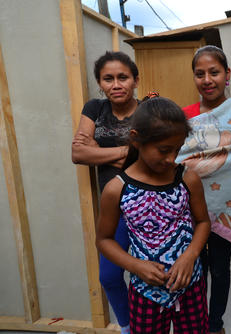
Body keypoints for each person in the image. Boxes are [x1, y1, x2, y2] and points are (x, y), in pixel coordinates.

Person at [96, 96, 211, 333]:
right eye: (164, 150)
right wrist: (136, 266)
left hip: (191, 287)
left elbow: (203, 222)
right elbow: (104, 241)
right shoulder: (117, 189)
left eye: (177, 150)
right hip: (145, 292)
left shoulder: (187, 179)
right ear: (136, 139)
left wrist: (191, 255)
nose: (172, 159)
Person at [178, 45, 231, 334]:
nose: (207, 79)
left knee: (219, 268)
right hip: (191, 209)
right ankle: (195, 322)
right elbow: (178, 158)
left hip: (227, 206)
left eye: (214, 72)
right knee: (194, 268)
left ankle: (215, 326)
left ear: (226, 74)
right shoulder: (184, 116)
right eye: (199, 74)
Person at [71, 51, 139, 333]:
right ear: (100, 83)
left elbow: (150, 157)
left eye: (122, 77)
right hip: (113, 209)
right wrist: (125, 151)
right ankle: (127, 328)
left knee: (148, 278)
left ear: (135, 80)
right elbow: (77, 153)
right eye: (108, 79)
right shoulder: (95, 109)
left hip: (147, 205)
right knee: (110, 277)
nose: (116, 84)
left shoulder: (150, 109)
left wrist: (98, 151)